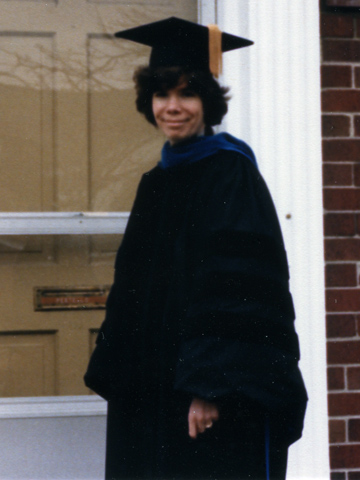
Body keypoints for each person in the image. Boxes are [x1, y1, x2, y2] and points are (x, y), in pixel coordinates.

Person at [84, 17, 307, 480]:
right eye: (162, 95)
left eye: (187, 93)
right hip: (153, 388)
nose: (173, 107)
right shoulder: (157, 182)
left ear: (208, 101)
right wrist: (120, 372)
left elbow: (239, 292)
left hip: (206, 394)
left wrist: (209, 387)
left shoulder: (231, 173)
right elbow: (134, 287)